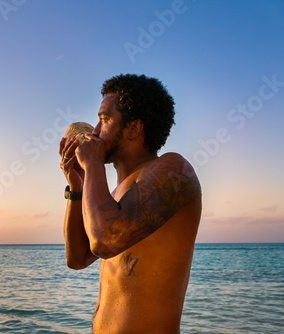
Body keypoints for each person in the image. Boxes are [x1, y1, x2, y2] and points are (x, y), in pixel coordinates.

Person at [59, 74, 202, 333]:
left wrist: (92, 164)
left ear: (134, 128)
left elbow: (105, 240)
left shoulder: (173, 169)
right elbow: (77, 258)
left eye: (104, 120)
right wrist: (77, 187)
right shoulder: (112, 196)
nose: (94, 132)